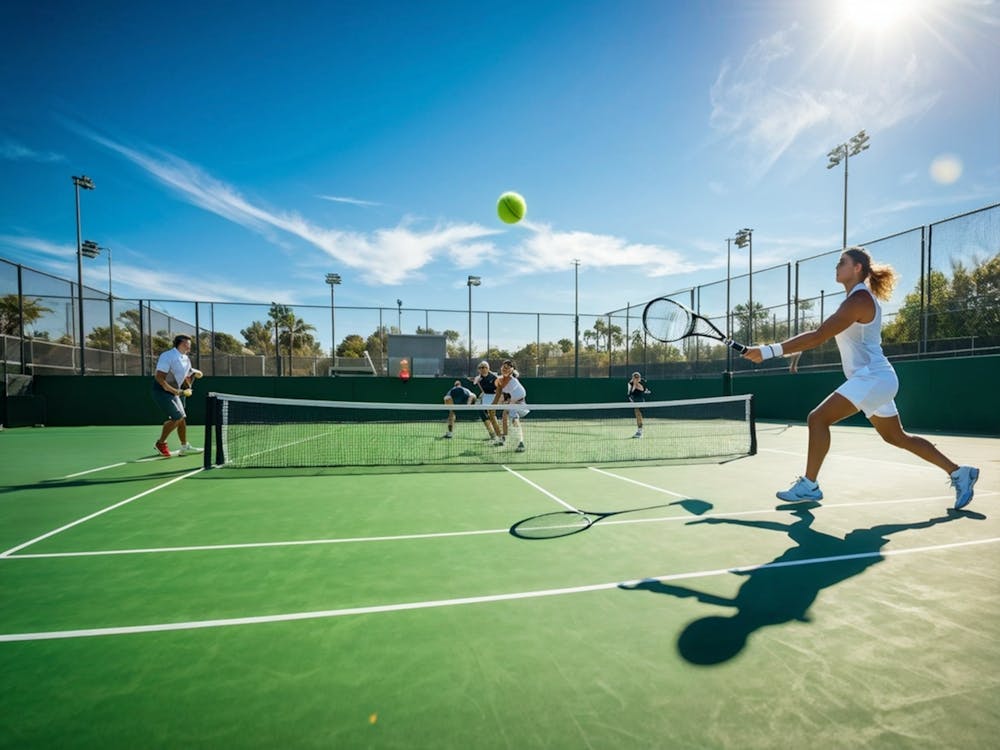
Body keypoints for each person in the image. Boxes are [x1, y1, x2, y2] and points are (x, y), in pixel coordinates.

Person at [742, 246, 980, 508]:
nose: (837, 266)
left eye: (842, 262)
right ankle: (960, 472)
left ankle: (809, 485)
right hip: (877, 379)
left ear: (857, 268)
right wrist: (783, 350)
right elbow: (817, 333)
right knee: (897, 437)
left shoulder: (860, 301)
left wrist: (767, 351)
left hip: (873, 377)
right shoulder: (853, 301)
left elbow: (819, 335)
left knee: (817, 419)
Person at [151, 334, 203, 457]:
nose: (189, 347)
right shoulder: (167, 356)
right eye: (188, 344)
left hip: (176, 392)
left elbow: (186, 376)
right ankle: (161, 443)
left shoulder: (185, 358)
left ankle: (184, 446)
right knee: (177, 417)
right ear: (181, 343)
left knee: (181, 419)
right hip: (161, 391)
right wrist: (174, 390)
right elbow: (159, 377)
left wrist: (193, 377)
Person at [494, 359, 528, 452]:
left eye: (508, 368)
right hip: (512, 403)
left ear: (512, 370)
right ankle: (503, 438)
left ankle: (520, 443)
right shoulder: (502, 379)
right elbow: (504, 395)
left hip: (519, 404)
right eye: (503, 367)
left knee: (514, 420)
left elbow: (506, 394)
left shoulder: (512, 381)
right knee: (504, 416)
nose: (505, 369)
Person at [472, 361, 503, 444]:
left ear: (488, 368)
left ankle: (500, 437)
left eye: (485, 367)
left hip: (495, 397)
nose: (483, 369)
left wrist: (499, 399)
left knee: (492, 416)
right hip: (486, 397)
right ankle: (495, 435)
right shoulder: (479, 379)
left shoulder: (494, 377)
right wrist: (482, 396)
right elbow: (482, 389)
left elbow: (500, 389)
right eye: (481, 367)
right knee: (489, 416)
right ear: (479, 369)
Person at [627, 371, 651, 438]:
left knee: (639, 416)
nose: (636, 378)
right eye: (635, 377)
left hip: (640, 402)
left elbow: (642, 389)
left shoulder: (642, 383)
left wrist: (635, 384)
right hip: (635, 402)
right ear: (632, 378)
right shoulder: (630, 384)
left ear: (640, 378)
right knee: (637, 416)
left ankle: (640, 432)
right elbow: (630, 393)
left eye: (638, 377)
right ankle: (639, 431)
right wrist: (633, 384)